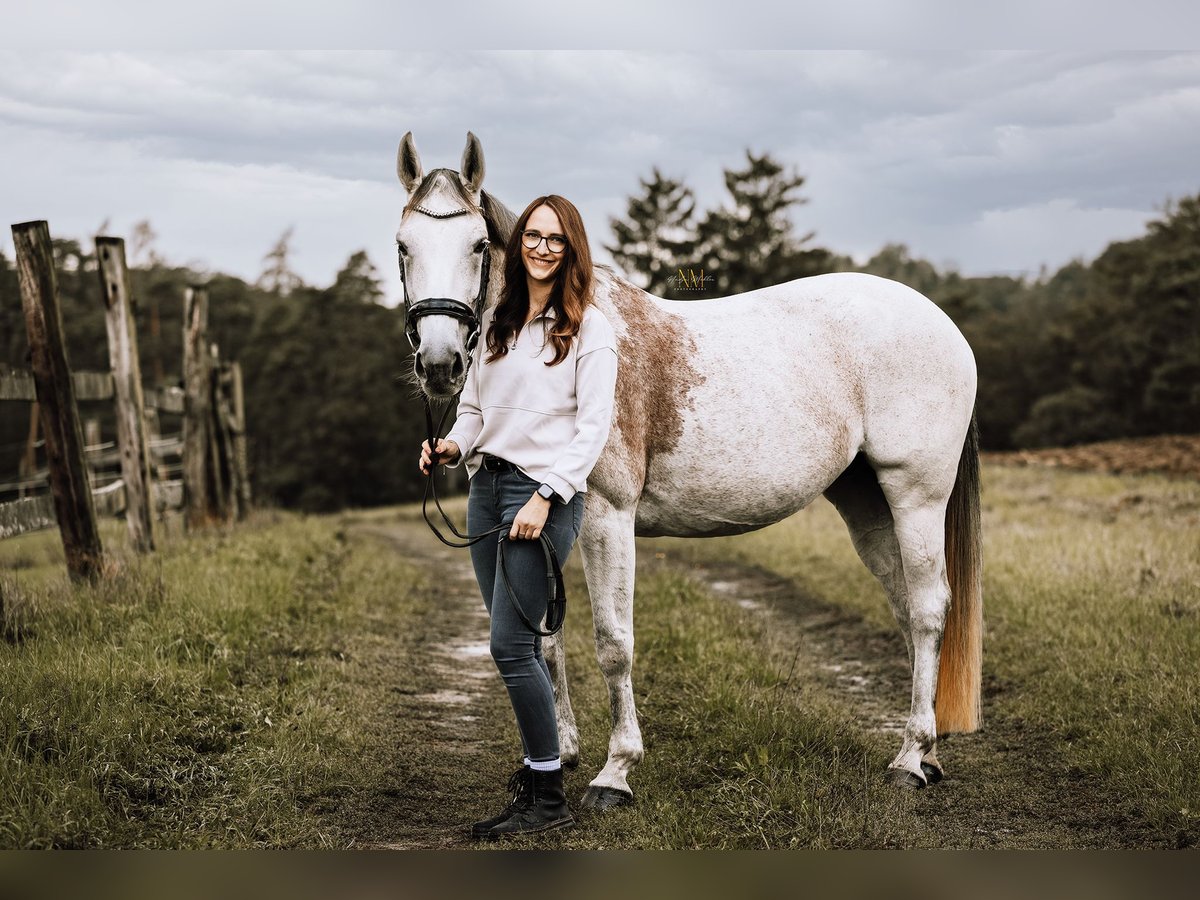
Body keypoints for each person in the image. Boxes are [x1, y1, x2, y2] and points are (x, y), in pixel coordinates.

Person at [418, 194, 618, 840]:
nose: (540, 248)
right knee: (519, 645)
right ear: (516, 244)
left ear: (572, 249)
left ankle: (549, 798)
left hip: (543, 498)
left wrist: (546, 496)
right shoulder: (496, 324)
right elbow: (476, 411)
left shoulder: (591, 328)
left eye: (555, 239)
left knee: (509, 644)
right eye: (532, 236)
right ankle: (537, 782)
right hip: (489, 491)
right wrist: (452, 444)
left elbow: (593, 431)